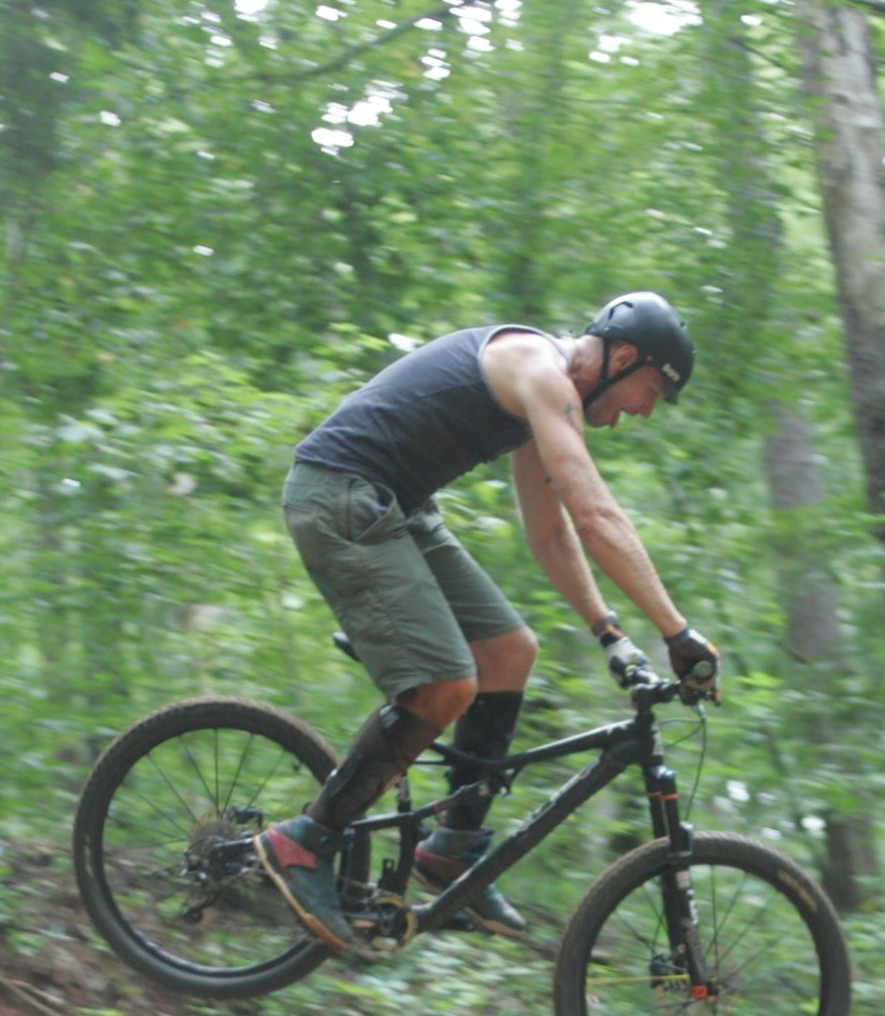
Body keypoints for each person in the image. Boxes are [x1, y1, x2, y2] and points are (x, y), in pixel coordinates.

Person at [255, 291, 721, 953]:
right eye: (648, 390)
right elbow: (595, 515)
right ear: (621, 358)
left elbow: (551, 532)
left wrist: (612, 634)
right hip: (341, 495)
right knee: (447, 683)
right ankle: (306, 840)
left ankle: (454, 848)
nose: (643, 411)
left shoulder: (542, 395)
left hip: (393, 506)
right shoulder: (540, 370)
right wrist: (678, 633)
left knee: (509, 651)